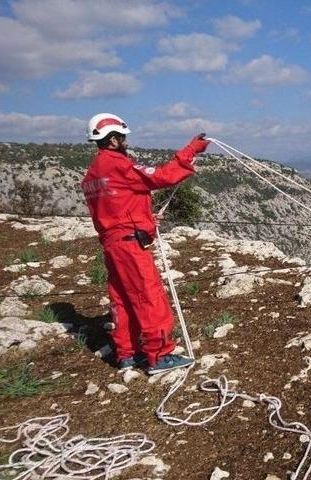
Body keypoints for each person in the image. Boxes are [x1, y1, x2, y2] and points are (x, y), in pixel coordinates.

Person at [81, 113, 209, 374]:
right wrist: (190, 151)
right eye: (123, 137)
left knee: (123, 299)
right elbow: (160, 177)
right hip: (129, 246)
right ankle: (158, 355)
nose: (126, 142)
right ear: (113, 139)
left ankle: (127, 353)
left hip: (113, 244)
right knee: (148, 297)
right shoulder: (117, 164)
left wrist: (146, 219)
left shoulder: (93, 174)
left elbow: (116, 206)